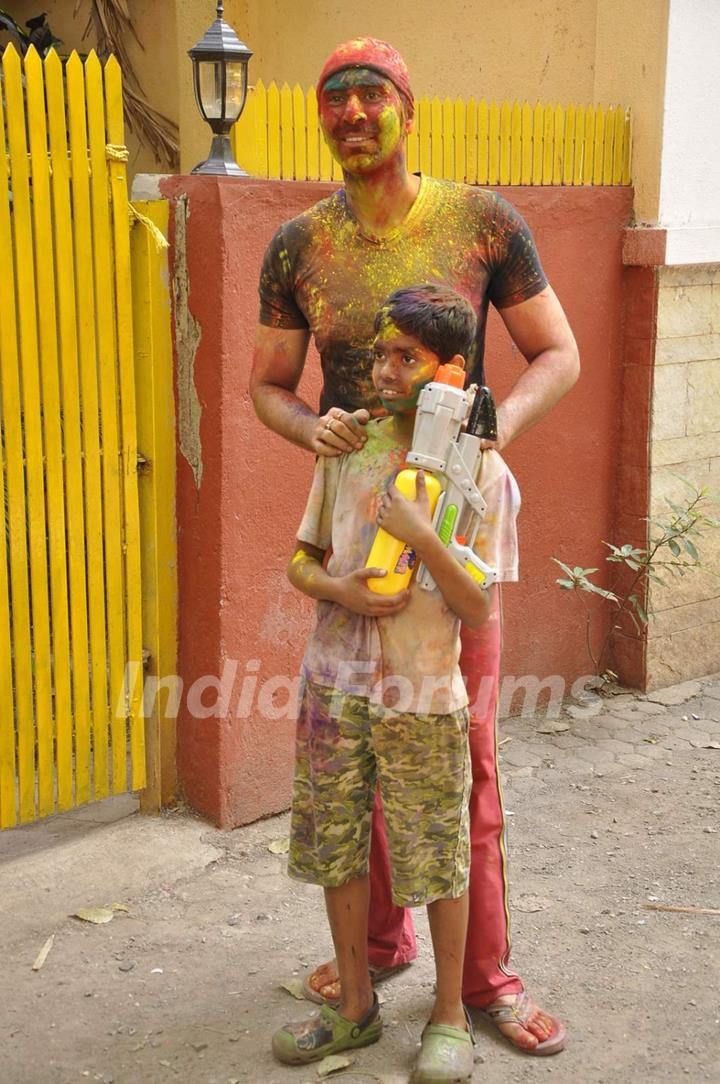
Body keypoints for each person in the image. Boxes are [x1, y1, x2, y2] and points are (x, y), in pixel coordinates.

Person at [250, 37, 579, 1056]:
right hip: (355, 540)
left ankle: (484, 980)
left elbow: (557, 353)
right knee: (352, 753)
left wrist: (491, 431)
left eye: (369, 95)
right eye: (332, 99)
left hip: (445, 535)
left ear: (408, 109)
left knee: (461, 762)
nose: (350, 113)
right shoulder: (298, 247)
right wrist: (315, 432)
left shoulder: (484, 222)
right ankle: (380, 952)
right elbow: (270, 383)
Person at [272, 284, 519, 1084]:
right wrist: (341, 591)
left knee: (435, 852)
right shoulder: (346, 449)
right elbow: (301, 559)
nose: (380, 370)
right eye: (377, 352)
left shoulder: (483, 468)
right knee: (337, 842)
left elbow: (478, 604)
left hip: (422, 691)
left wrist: (421, 537)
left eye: (401, 357)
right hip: (334, 684)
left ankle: (449, 1015)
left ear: (448, 369)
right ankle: (354, 1004)